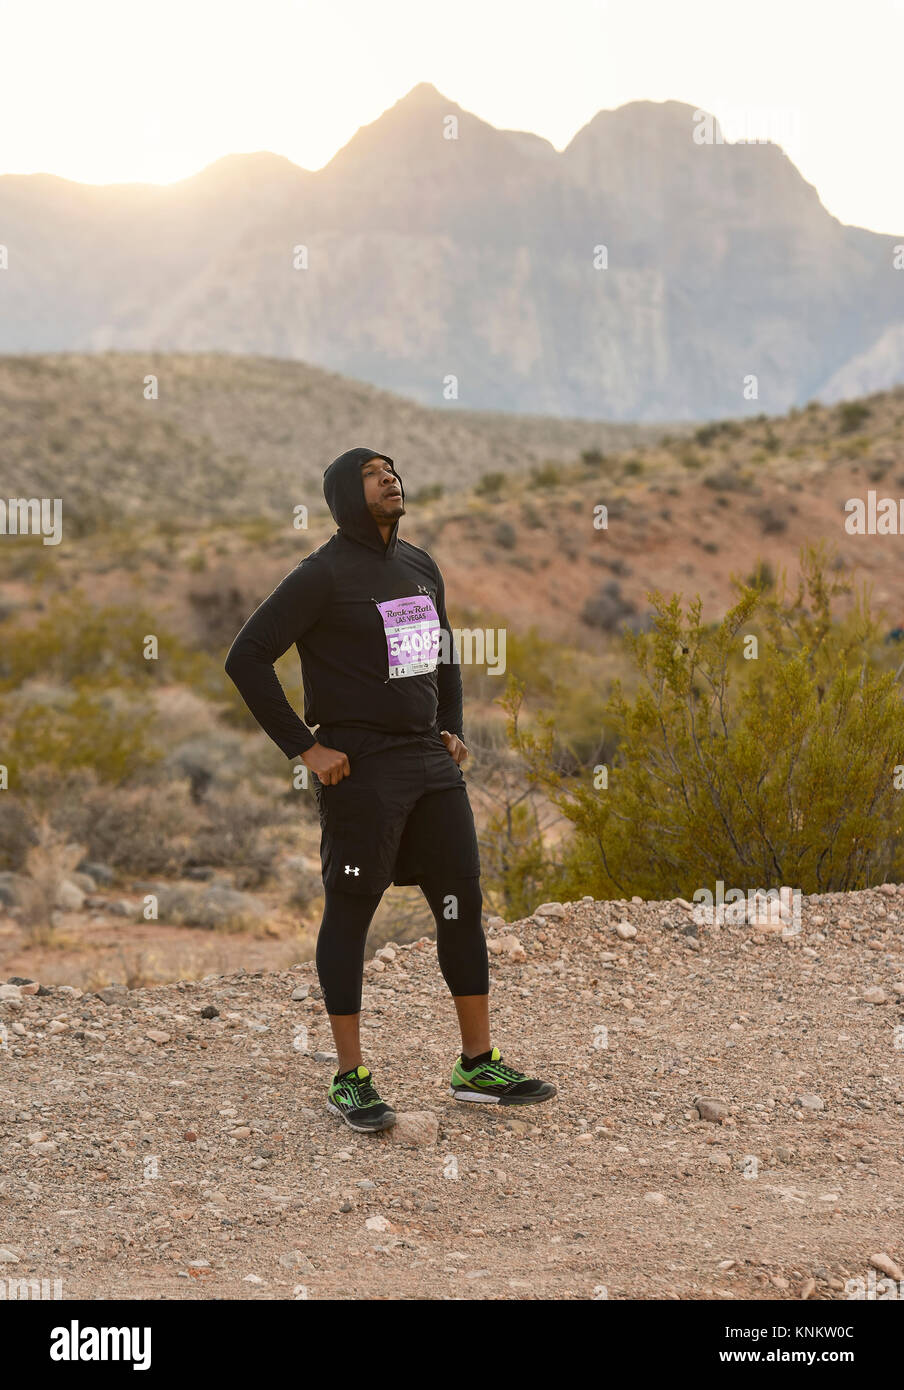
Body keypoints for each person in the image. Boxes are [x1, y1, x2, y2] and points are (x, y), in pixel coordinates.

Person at [225, 446, 556, 1132]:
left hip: (429, 764)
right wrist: (307, 749)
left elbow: (444, 648)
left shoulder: (418, 565)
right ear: (348, 494)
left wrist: (452, 726)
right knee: (351, 909)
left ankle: (477, 1065)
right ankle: (349, 1078)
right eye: (375, 474)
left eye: (394, 471)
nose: (391, 479)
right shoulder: (320, 575)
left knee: (462, 900)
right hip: (361, 767)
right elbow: (247, 657)